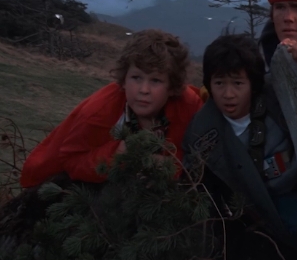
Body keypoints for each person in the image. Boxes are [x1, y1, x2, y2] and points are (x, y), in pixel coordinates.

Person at [184, 32, 297, 260]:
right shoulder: (203, 133)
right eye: (219, 83)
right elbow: (203, 192)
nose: (228, 94)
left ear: (253, 83)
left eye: (238, 83)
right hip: (250, 209)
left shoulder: (276, 97)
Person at [20, 28, 201, 186]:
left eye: (156, 80)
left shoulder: (189, 107)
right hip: (57, 188)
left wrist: (170, 169)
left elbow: (198, 159)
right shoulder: (98, 113)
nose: (143, 90)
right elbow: (70, 161)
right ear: (123, 79)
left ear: (172, 86)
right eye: (136, 78)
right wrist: (117, 154)